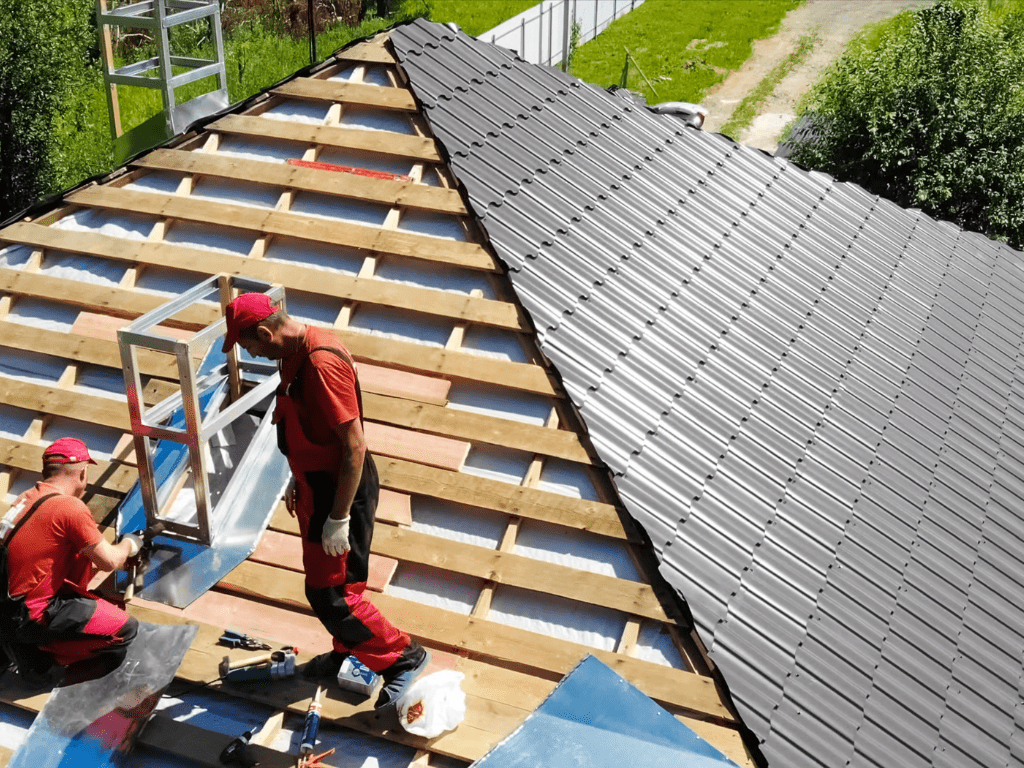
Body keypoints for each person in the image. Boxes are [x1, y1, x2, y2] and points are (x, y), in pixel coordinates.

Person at [222, 293, 428, 708]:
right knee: (338, 584)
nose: (252, 354)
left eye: (250, 346)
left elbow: (354, 447)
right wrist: (297, 478)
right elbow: (305, 424)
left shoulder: (320, 364)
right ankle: (348, 651)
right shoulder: (294, 350)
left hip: (339, 491)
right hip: (318, 484)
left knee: (332, 594)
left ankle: (402, 657)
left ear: (266, 331)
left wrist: (338, 517)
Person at [3, 437, 142, 683]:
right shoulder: (70, 508)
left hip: (8, 608)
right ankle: (43, 660)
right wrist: (130, 544)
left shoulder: (26, 498)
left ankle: (26, 645)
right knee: (126, 630)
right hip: (31, 616)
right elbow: (109, 561)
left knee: (79, 558)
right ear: (82, 473)